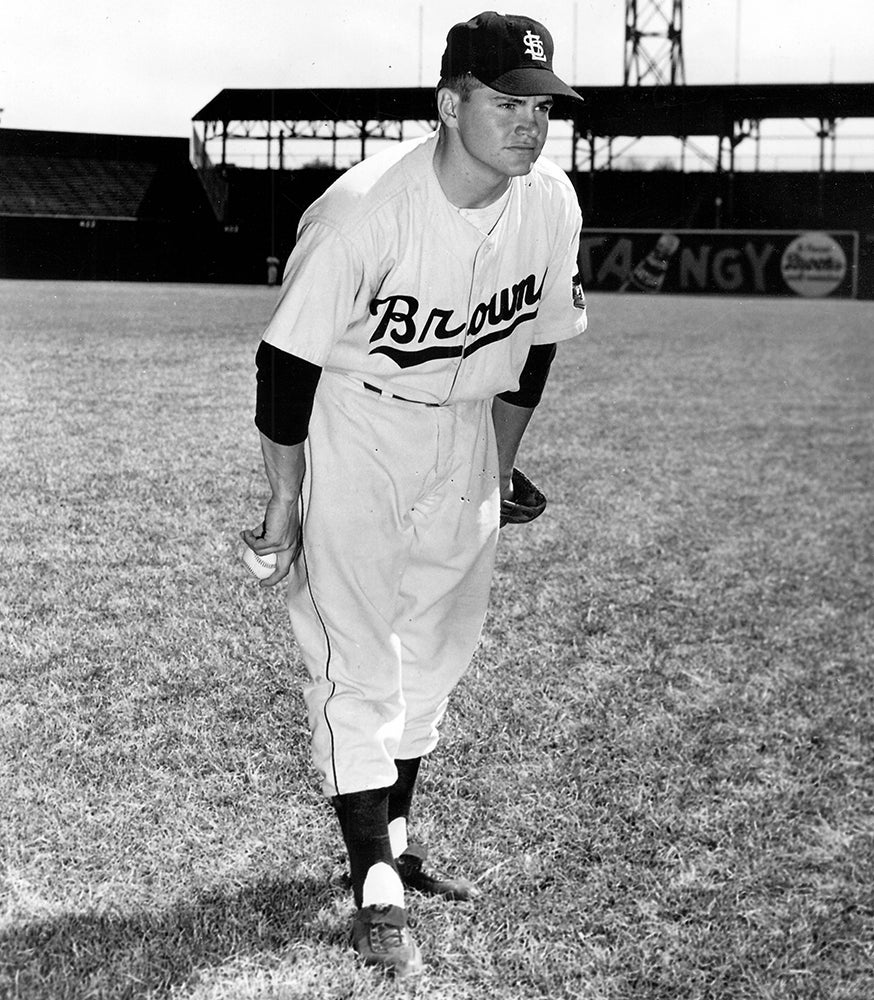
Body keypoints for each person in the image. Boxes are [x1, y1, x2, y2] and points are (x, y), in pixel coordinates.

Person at [241, 10, 587, 977]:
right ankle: (373, 886)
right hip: (358, 423)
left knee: (438, 649)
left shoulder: (549, 200)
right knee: (356, 654)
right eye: (506, 102)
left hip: (466, 432)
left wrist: (504, 461)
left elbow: (537, 345)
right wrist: (286, 499)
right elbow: (284, 365)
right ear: (450, 102)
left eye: (542, 107)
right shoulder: (364, 211)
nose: (530, 123)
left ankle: (395, 836)